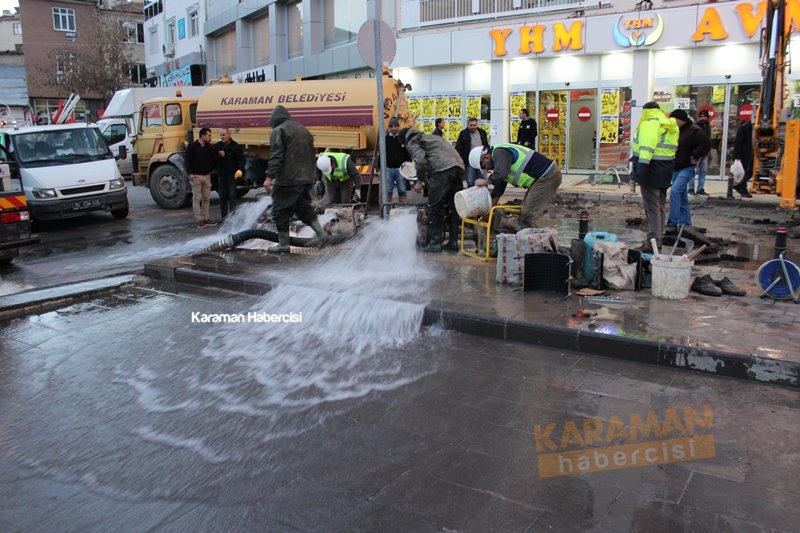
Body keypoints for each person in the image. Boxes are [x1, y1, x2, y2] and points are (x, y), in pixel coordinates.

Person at [262, 105, 328, 253]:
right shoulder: (303, 130)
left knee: (280, 211)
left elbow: (276, 156)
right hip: (305, 179)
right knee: (304, 209)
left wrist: (269, 177)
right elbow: (312, 154)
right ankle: (322, 235)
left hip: (287, 180)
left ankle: (284, 244)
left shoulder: (279, 131)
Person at [400, 128, 464, 252]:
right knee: (453, 207)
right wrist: (426, 179)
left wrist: (419, 180)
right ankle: (453, 242)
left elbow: (420, 160)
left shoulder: (413, 141)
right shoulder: (434, 138)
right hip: (459, 168)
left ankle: (435, 243)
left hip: (442, 170)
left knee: (435, 207)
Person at [470, 143, 562, 229]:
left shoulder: (499, 152)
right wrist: (487, 211)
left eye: (484, 166)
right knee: (525, 212)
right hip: (540, 180)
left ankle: (531, 241)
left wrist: (486, 181)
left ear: (486, 157)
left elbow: (501, 175)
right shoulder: (501, 164)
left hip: (548, 176)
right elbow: (498, 191)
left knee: (528, 214)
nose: (486, 169)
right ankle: (529, 237)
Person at [630, 101, 679, 251]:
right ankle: (658, 237)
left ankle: (653, 242)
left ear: (645, 111)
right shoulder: (669, 123)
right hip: (665, 169)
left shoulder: (650, 123)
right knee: (660, 206)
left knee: (651, 207)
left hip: (651, 168)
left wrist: (640, 172)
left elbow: (646, 149)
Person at [666, 108, 711, 231]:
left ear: (680, 120)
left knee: (675, 192)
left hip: (687, 168)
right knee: (682, 196)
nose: (671, 122)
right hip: (676, 167)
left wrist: (694, 156)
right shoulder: (676, 130)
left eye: (673, 120)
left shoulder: (694, 130)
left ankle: (672, 223)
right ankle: (686, 224)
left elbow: (706, 144)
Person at [184, 127, 217, 228]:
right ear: (203, 135)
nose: (210, 137)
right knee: (197, 198)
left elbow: (214, 158)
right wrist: (190, 173)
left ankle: (206, 218)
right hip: (196, 176)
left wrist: (211, 169)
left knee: (206, 198)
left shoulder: (209, 147)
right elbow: (187, 161)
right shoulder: (192, 146)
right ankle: (199, 220)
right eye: (209, 135)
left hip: (206, 175)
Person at [214, 128, 246, 220]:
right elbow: (213, 158)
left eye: (224, 135)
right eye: (221, 135)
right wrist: (219, 157)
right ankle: (224, 216)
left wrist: (240, 169)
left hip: (231, 174)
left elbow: (241, 159)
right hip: (221, 174)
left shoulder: (235, 147)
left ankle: (233, 216)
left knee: (232, 194)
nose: (222, 137)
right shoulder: (218, 146)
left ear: (229, 135)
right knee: (222, 195)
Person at [455, 117, 489, 187]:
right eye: (471, 125)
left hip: (481, 160)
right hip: (469, 160)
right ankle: (471, 196)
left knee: (483, 179)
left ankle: (483, 195)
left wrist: (486, 151)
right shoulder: (463, 133)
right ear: (468, 125)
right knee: (470, 181)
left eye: (474, 125)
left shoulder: (482, 132)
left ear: (477, 125)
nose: (473, 127)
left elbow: (486, 144)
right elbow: (459, 148)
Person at [384, 117, 410, 204]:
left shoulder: (402, 139)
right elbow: (381, 154)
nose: (393, 128)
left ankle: (403, 208)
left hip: (400, 169)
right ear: (389, 127)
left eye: (395, 126)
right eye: (391, 126)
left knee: (402, 189)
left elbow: (407, 153)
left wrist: (408, 166)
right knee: (388, 190)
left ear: (398, 127)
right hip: (388, 168)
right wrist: (379, 166)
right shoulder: (385, 139)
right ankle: (387, 209)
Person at [732, 116, 754, 198]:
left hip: (750, 154)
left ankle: (739, 186)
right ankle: (743, 189)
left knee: (749, 171)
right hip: (743, 155)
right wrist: (737, 157)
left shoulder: (749, 128)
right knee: (744, 172)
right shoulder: (744, 128)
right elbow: (738, 143)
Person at [693, 109, 712, 195]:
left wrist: (708, 151)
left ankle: (700, 188)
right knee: (693, 171)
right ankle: (690, 188)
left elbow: (708, 140)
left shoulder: (708, 126)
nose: (702, 118)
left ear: (707, 117)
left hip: (704, 152)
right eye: (701, 116)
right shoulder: (696, 126)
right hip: (697, 152)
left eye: (704, 116)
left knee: (703, 172)